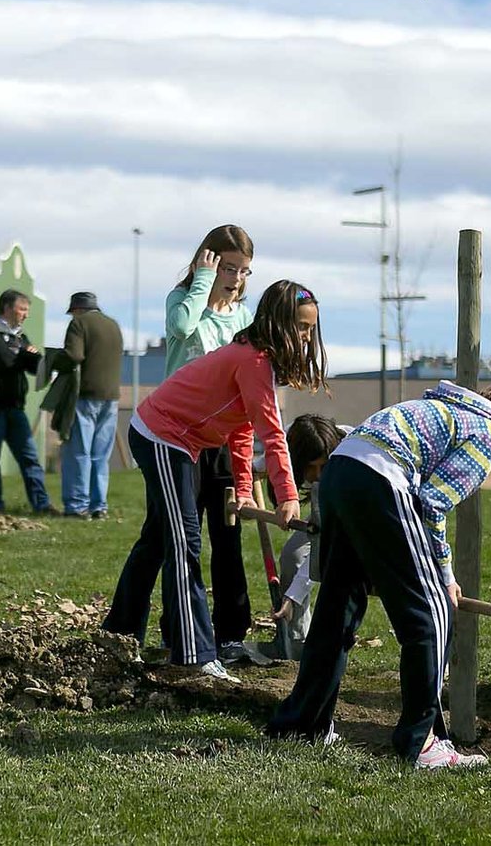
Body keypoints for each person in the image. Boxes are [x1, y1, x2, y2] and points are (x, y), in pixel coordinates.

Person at [267, 376, 491, 770]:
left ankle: (302, 724)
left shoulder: (457, 412)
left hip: (341, 471)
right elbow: (433, 503)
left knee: (338, 607)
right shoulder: (489, 432)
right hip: (379, 479)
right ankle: (422, 741)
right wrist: (446, 574)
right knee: (432, 616)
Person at [104, 280, 327, 681]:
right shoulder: (254, 361)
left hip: (182, 441)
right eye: (299, 326)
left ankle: (118, 636)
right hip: (161, 434)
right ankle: (194, 654)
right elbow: (271, 432)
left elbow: (240, 429)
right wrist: (288, 495)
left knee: (158, 537)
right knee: (184, 539)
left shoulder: (261, 363)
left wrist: (244, 488)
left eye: (311, 328)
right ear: (276, 323)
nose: (306, 336)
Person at [160, 224, 261, 665]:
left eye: (245, 271)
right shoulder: (184, 301)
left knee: (228, 533)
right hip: (180, 436)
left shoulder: (242, 317)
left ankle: (232, 632)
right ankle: (178, 628)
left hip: (223, 436)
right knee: (182, 538)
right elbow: (182, 328)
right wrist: (202, 282)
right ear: (210, 260)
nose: (237, 278)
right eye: (229, 267)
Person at [269, 414, 348, 658]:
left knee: (338, 572)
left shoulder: (347, 459)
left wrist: (292, 596)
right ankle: (297, 640)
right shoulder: (293, 441)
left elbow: (320, 552)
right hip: (323, 518)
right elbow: (272, 460)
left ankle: (332, 641)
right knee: (292, 556)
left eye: (322, 467)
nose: (317, 475)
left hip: (355, 517)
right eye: (309, 467)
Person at [0, 289, 53, 515]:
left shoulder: (19, 336)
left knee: (30, 459)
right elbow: (5, 360)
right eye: (22, 309)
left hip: (15, 408)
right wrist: (25, 354)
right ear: (7, 308)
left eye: (27, 310)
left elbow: (34, 364)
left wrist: (28, 355)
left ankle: (42, 505)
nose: (26, 315)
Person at [53, 291, 124, 518]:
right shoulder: (113, 325)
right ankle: (98, 506)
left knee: (78, 452)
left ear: (77, 310)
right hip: (111, 398)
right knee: (100, 456)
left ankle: (77, 506)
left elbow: (74, 355)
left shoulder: (79, 324)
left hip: (85, 396)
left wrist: (54, 360)